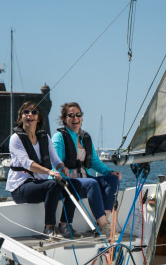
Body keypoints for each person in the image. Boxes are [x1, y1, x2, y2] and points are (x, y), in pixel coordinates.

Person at [52, 102, 122, 238]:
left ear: (82, 118)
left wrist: (109, 172)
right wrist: (62, 169)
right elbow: (56, 161)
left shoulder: (85, 138)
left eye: (78, 115)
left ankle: (101, 222)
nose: (75, 118)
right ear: (64, 119)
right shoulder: (59, 137)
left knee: (113, 180)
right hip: (67, 181)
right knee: (92, 183)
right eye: (70, 115)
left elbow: (94, 161)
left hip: (84, 178)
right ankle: (104, 226)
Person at [6, 101, 72, 239]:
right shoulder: (15, 139)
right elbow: (26, 163)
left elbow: (55, 159)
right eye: (26, 112)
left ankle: (65, 225)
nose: (30, 115)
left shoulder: (44, 137)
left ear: (39, 118)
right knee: (53, 185)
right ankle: (49, 228)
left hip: (39, 185)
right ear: (21, 117)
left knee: (72, 185)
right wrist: (49, 172)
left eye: (34, 112)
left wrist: (61, 167)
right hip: (20, 188)